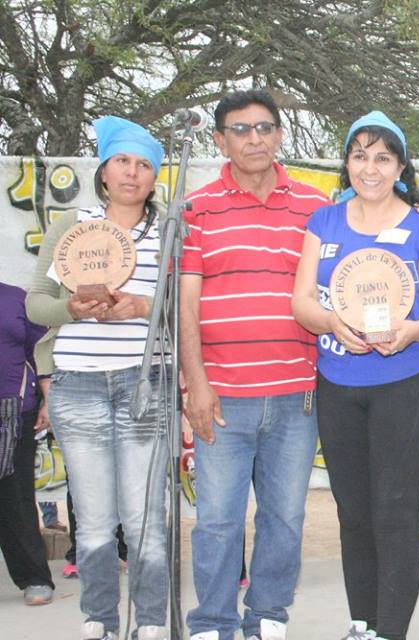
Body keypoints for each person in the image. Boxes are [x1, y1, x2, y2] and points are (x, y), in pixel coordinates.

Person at [291, 111, 419, 640]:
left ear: (400, 167)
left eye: (383, 157)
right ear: (346, 163)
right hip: (338, 385)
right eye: (360, 155)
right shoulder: (323, 222)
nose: (370, 167)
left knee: (394, 511)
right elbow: (301, 302)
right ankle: (363, 624)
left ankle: (391, 632)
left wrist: (411, 332)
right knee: (353, 513)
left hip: (406, 385)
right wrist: (330, 321)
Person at [180, 89, 331, 640]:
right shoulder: (196, 208)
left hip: (297, 394)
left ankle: (268, 615)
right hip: (222, 396)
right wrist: (196, 385)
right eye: (240, 130)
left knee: (285, 517)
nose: (254, 139)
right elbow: (186, 306)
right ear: (220, 140)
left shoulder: (316, 207)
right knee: (218, 520)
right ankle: (212, 622)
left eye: (265, 127)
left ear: (280, 136)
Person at [26, 116, 169, 640]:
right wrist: (72, 309)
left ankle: (150, 622)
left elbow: (187, 310)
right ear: (103, 171)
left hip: (145, 384)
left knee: (145, 517)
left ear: (155, 177)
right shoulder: (73, 226)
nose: (132, 173)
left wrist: (142, 306)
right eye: (121, 161)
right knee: (92, 519)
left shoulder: (171, 231)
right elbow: (36, 304)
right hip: (79, 386)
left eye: (143, 165)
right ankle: (100, 620)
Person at [0, 282, 55, 606]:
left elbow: (41, 352)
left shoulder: (17, 299)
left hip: (14, 413)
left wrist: (48, 401)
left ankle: (35, 578)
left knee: (16, 498)